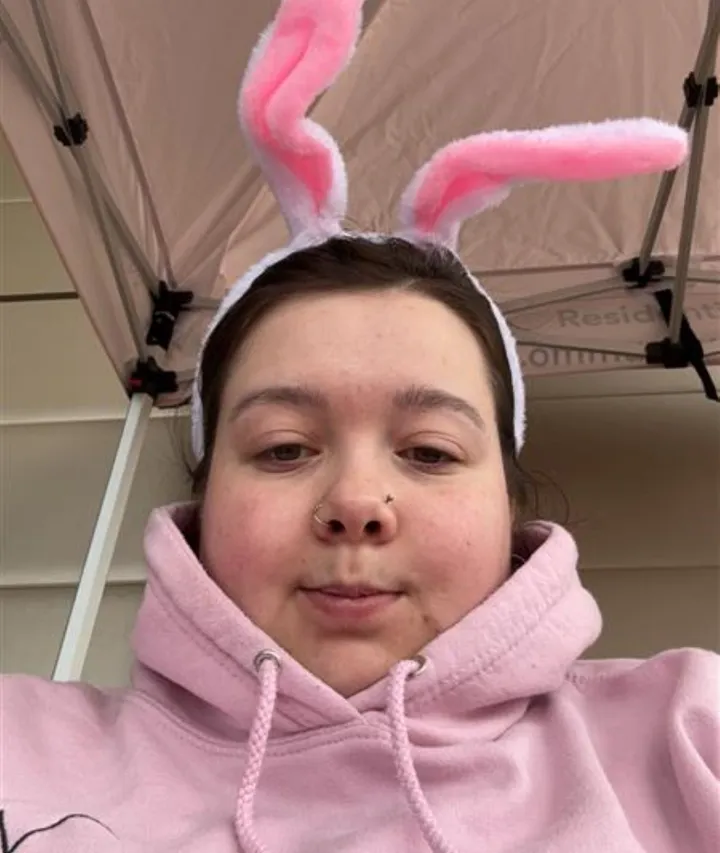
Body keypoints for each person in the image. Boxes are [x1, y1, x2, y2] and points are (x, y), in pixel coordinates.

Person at [1, 1, 718, 851]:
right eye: (283, 447)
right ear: (203, 499)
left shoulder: (689, 734)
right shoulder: (20, 754)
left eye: (429, 451)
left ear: (509, 508)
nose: (355, 502)